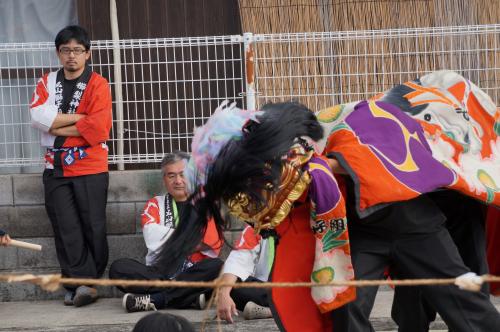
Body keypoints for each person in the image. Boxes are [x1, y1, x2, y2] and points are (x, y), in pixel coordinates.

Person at [29, 25, 112, 307]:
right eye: (66, 50)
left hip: (91, 166)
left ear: (88, 54)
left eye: (77, 50)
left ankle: (91, 281)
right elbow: (39, 118)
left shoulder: (98, 84)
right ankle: (78, 284)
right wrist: (80, 118)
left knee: (93, 226)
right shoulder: (46, 82)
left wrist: (55, 124)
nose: (71, 56)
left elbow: (99, 128)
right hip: (56, 168)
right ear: (58, 53)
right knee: (66, 228)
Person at [109, 151, 224, 313]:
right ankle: (185, 298)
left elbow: (207, 243)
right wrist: (188, 240)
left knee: (217, 266)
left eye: (182, 175)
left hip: (193, 272)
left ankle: (157, 299)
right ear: (164, 179)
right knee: (118, 268)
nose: (178, 181)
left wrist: (171, 240)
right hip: (160, 273)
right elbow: (152, 236)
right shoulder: (155, 204)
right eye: (171, 176)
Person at [217, 225, 273, 323]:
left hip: (298, 291)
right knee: (232, 287)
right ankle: (275, 309)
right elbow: (238, 260)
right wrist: (224, 293)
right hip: (266, 291)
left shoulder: (304, 221)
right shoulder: (258, 223)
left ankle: (271, 311)